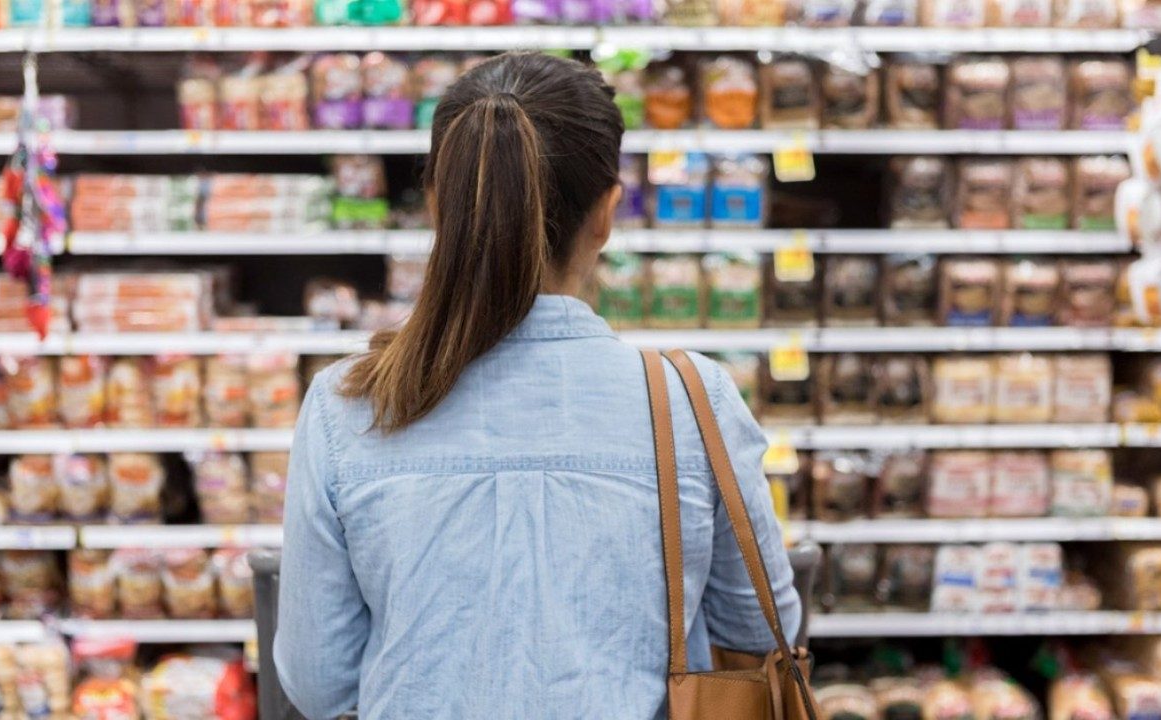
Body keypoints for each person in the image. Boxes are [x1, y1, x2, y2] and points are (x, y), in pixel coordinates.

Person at [274, 51, 801, 720]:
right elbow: (760, 631)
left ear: (440, 206)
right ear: (607, 212)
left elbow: (319, 682)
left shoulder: (348, 406)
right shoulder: (692, 399)